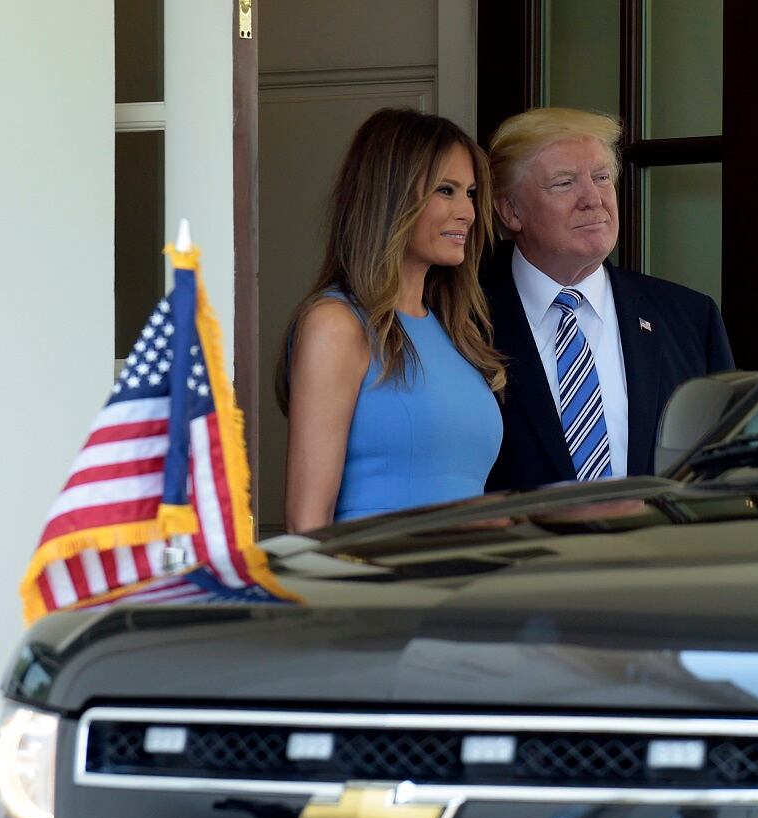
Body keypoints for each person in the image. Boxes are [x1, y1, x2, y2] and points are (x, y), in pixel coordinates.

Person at [276, 109, 505, 531]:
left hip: (467, 571)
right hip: (376, 570)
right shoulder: (336, 324)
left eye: (471, 194)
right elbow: (306, 523)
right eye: (446, 190)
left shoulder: (458, 334)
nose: (468, 213)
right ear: (391, 198)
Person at [482, 107, 734, 492]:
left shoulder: (690, 317)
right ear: (510, 210)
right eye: (564, 183)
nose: (593, 199)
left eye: (601, 178)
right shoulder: (462, 318)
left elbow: (722, 470)